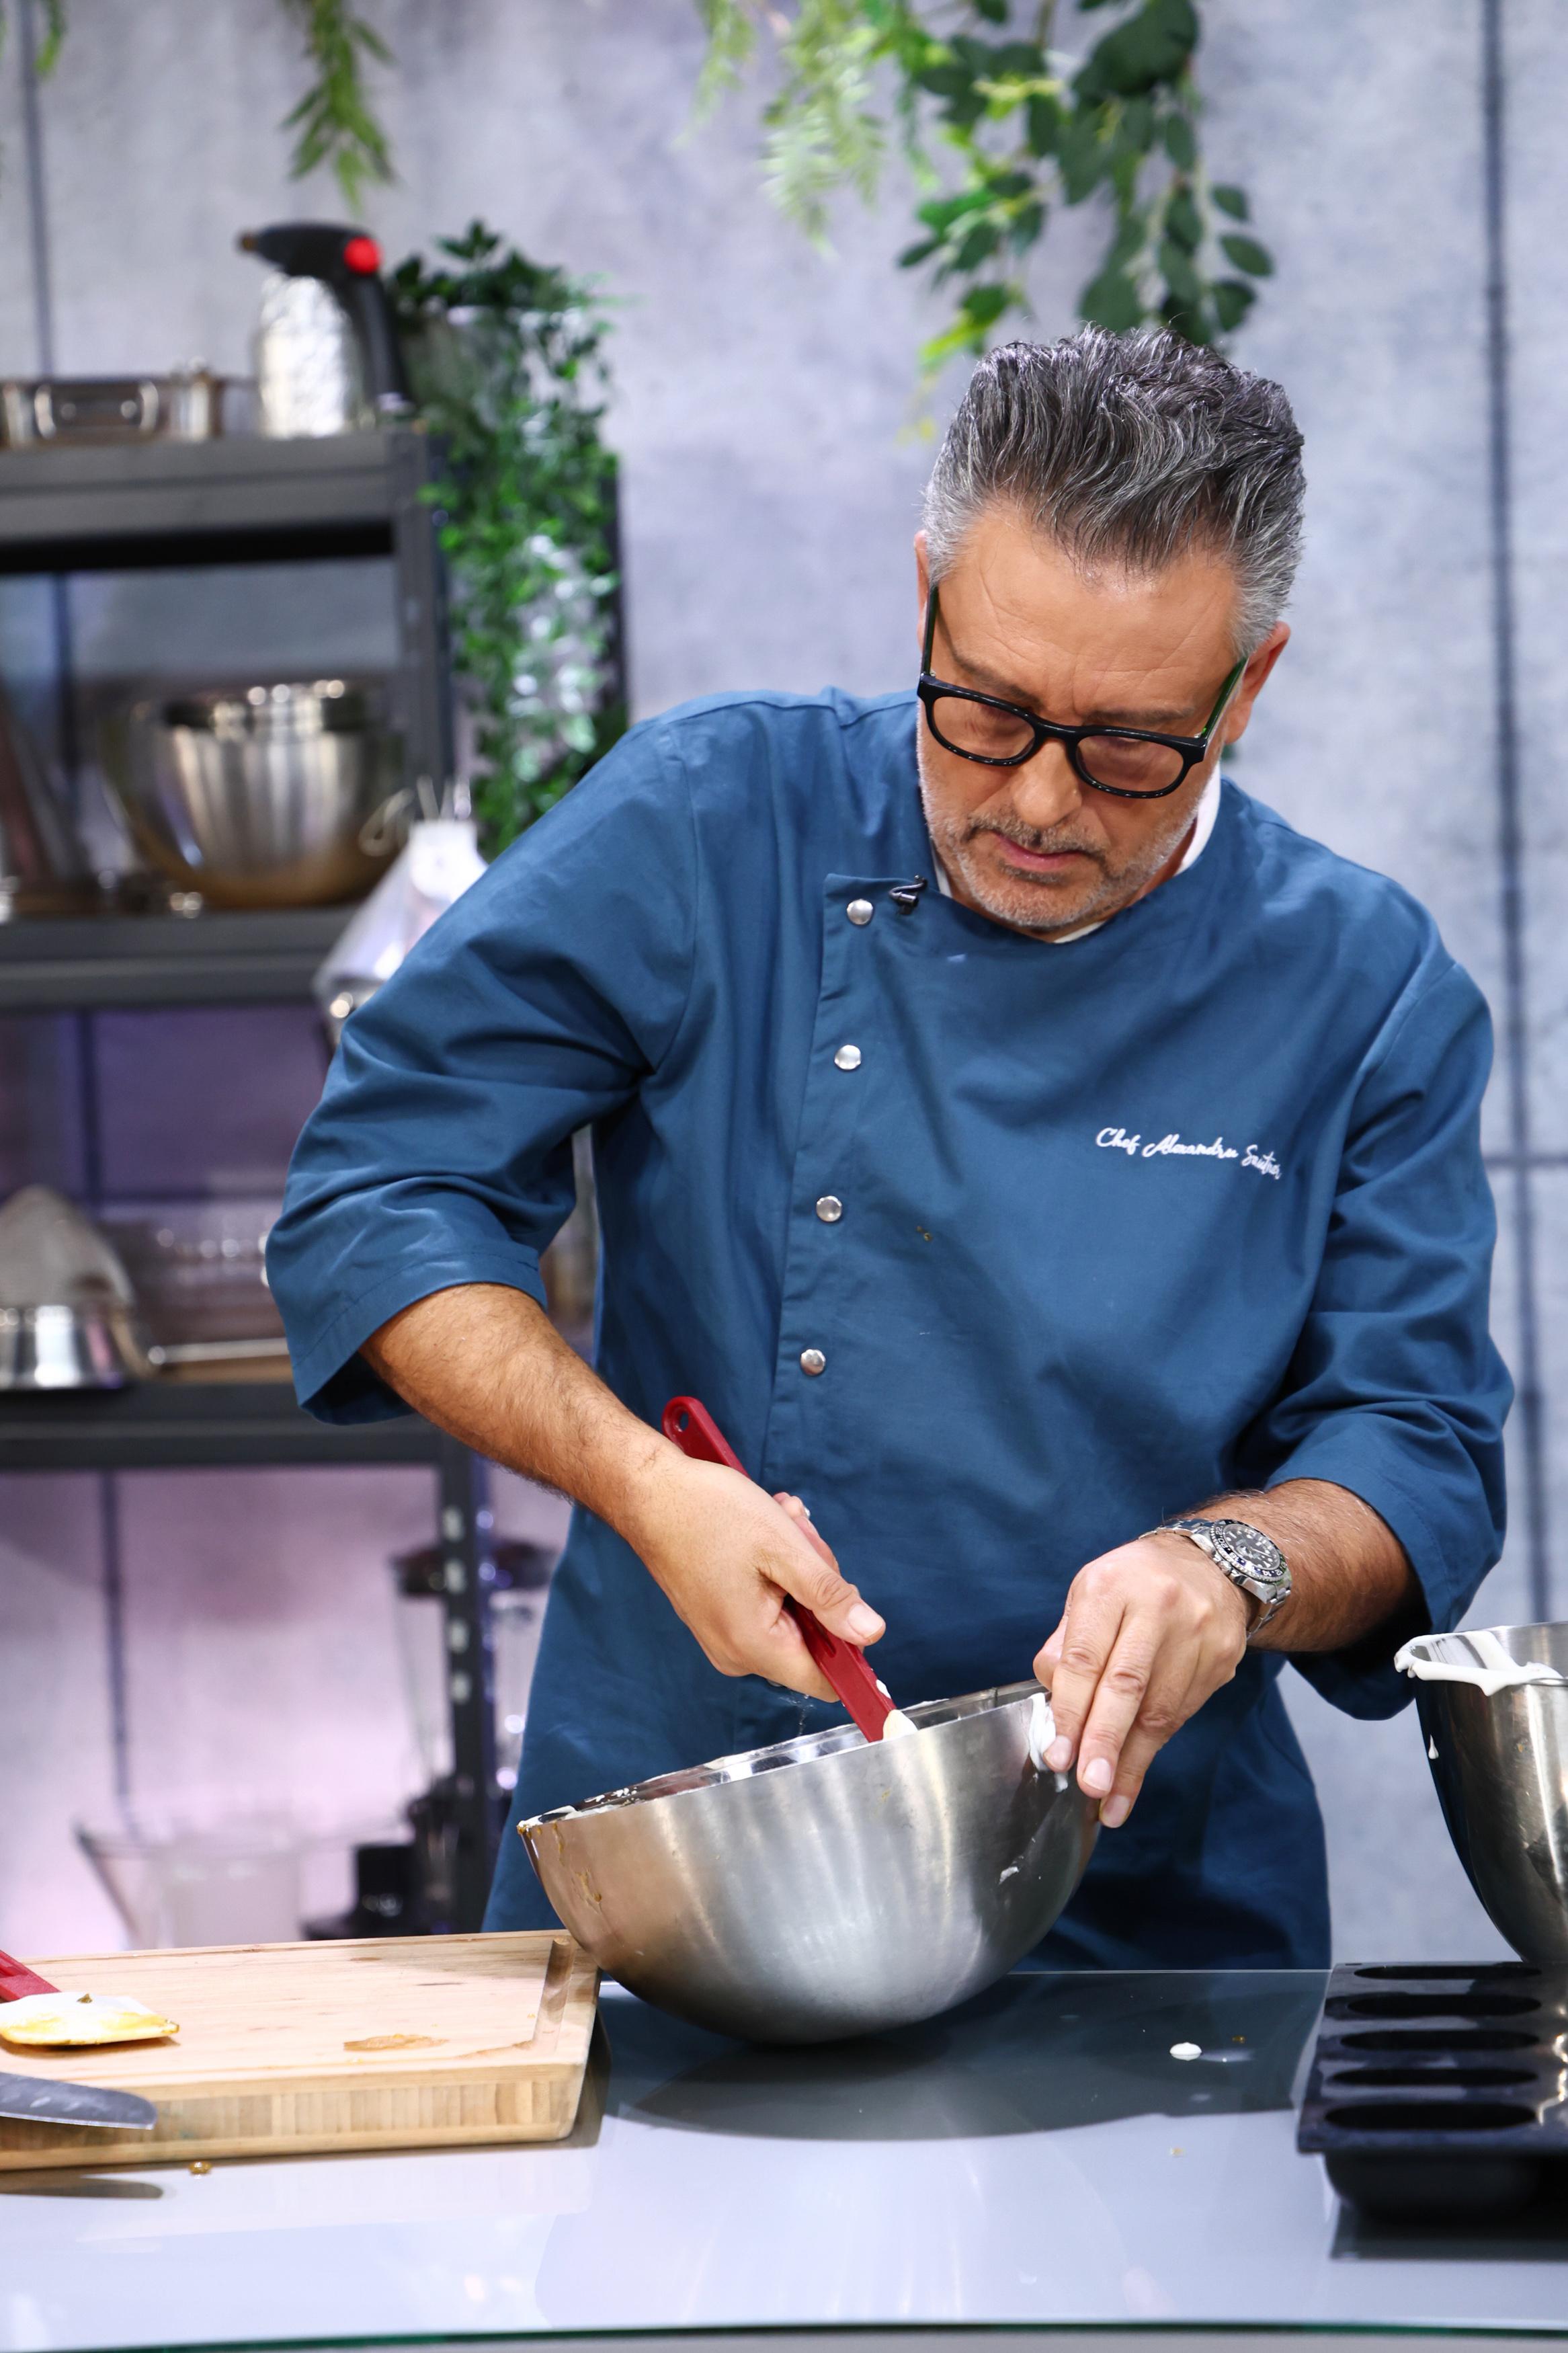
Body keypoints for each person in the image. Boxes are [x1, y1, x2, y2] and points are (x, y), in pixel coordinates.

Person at [267, 329, 1509, 1967]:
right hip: (686, 1870)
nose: (1042, 802)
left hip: (1135, 1918)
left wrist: (1231, 1563)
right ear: (927, 594)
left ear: (1250, 682)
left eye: (1131, 745)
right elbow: (380, 1193)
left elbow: (1415, 1444)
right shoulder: (711, 818)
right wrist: (642, 1482)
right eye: (986, 710)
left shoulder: (1362, 984)